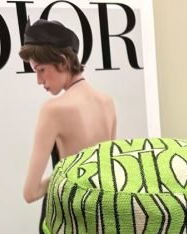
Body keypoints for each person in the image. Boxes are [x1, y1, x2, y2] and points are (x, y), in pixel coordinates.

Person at [19, 19, 116, 203]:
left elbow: (30, 193)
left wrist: (69, 173)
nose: (39, 80)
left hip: (70, 214)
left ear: (63, 62)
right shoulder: (107, 102)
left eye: (41, 69)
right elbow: (108, 169)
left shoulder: (53, 110)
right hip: (101, 212)